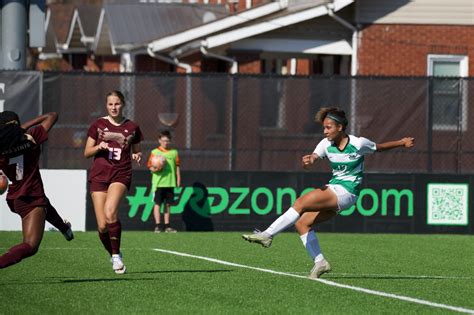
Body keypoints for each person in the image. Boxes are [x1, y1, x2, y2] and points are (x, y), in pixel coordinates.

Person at [242, 107, 415, 279]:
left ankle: (268, 234)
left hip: (347, 192)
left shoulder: (358, 143)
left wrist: (402, 142)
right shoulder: (325, 144)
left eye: (329, 127)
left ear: (340, 127)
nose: (325, 131)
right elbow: (312, 159)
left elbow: (380, 147)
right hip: (335, 190)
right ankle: (320, 262)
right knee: (302, 224)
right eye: (324, 127)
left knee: (301, 203)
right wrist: (308, 162)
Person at [0, 111, 73, 269]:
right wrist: (21, 128)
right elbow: (53, 115)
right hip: (31, 197)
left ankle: (64, 228)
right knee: (31, 245)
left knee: (44, 202)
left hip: (16, 198)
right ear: (17, 125)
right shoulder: (31, 137)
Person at [84, 90, 143, 274]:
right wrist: (98, 147)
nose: (113, 107)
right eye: (110, 104)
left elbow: (137, 149)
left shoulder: (132, 127)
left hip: (121, 173)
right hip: (99, 175)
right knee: (102, 226)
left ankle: (116, 256)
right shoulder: (98, 125)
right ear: (106, 106)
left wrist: (136, 154)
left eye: (117, 104)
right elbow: (86, 152)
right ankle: (114, 253)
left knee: (110, 212)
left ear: (123, 104)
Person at [147, 130, 181, 233]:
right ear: (159, 140)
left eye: (167, 141)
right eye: (163, 140)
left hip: (170, 183)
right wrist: (156, 168)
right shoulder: (154, 152)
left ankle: (167, 226)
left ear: (170, 141)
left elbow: (177, 168)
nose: (165, 143)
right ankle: (158, 225)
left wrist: (178, 179)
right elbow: (150, 167)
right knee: (157, 204)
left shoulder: (174, 152)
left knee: (168, 205)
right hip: (158, 184)